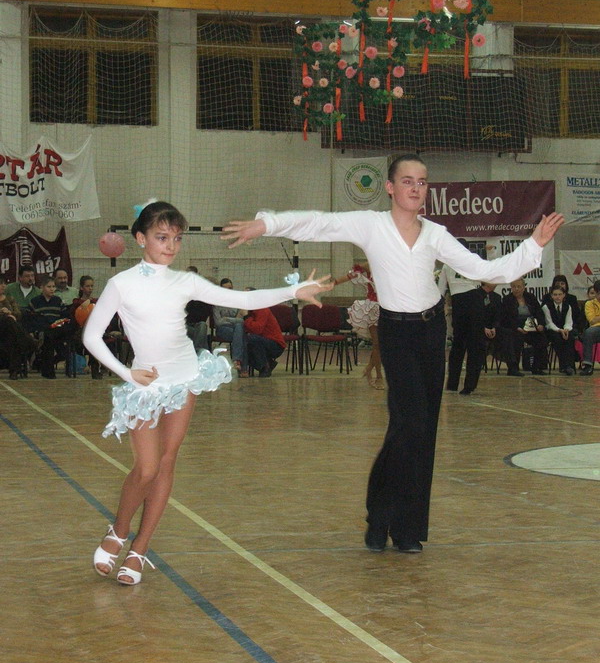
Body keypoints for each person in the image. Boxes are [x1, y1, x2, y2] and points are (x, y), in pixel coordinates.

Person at [222, 154, 564, 554]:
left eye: (422, 181)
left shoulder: (435, 234)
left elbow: (483, 270)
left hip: (431, 331)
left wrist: (533, 245)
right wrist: (267, 224)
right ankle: (380, 514)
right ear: (390, 187)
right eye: (407, 181)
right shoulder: (371, 225)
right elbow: (318, 222)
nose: (416, 188)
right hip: (396, 333)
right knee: (409, 424)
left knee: (421, 428)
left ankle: (406, 527)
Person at [83, 200, 331, 585]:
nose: (171, 246)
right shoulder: (121, 284)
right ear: (140, 239)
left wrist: (296, 289)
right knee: (146, 467)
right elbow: (92, 336)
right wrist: (126, 372)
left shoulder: (186, 281)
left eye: (176, 238)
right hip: (144, 384)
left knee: (166, 462)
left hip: (184, 378)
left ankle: (140, 548)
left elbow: (243, 300)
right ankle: (119, 529)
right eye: (161, 237)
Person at [333, 262, 383, 389]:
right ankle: (379, 376)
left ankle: (369, 368)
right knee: (377, 344)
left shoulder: (393, 263)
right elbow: (350, 275)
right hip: (373, 307)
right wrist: (334, 283)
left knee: (385, 345)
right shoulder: (370, 263)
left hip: (390, 307)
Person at [437, 259, 480, 394]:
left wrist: (438, 306)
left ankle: (453, 383)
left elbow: (441, 289)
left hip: (459, 301)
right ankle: (469, 385)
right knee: (472, 344)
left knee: (459, 344)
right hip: (473, 299)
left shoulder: (447, 264)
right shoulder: (469, 259)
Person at [499, 278, 547, 376]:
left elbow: (539, 313)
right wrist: (517, 327)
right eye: (514, 287)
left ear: (524, 287)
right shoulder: (507, 300)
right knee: (514, 339)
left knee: (541, 338)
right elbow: (505, 318)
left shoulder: (530, 297)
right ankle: (513, 368)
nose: (516, 289)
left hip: (531, 326)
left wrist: (541, 324)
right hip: (516, 328)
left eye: (519, 286)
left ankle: (536, 367)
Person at [28, 275, 74, 379]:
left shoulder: (58, 301)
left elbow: (65, 316)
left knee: (61, 348)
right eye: (49, 287)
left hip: (57, 330)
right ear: (42, 287)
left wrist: (59, 323)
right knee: (48, 337)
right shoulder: (35, 302)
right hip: (43, 331)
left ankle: (44, 365)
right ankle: (48, 371)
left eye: (53, 286)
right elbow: (32, 319)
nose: (52, 289)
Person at [240, 288, 286, 377]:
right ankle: (268, 362)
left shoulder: (262, 309)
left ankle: (265, 367)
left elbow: (257, 330)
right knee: (242, 344)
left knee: (252, 339)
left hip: (275, 345)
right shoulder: (250, 310)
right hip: (263, 341)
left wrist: (246, 317)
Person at [0, 275, 37, 379]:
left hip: (10, 331)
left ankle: (14, 371)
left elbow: (18, 314)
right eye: (0, 284)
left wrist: (10, 312)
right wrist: (4, 313)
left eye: (4, 283)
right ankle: (30, 342)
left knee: (14, 338)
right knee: (8, 320)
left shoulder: (10, 299)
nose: (3, 286)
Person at [212, 278, 248, 375]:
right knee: (241, 334)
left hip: (235, 329)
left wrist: (226, 319)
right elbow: (218, 322)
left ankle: (237, 361)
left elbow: (242, 320)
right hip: (222, 330)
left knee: (240, 331)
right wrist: (234, 320)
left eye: (230, 288)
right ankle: (243, 368)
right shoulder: (216, 303)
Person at [541, 284, 577, 375]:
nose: (557, 297)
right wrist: (559, 330)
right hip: (552, 331)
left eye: (560, 294)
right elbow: (549, 323)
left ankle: (570, 366)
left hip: (564, 329)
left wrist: (566, 330)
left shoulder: (567, 306)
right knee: (557, 338)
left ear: (564, 295)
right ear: (551, 296)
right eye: (555, 294)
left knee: (570, 338)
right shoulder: (546, 307)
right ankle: (564, 365)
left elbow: (569, 321)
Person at [580, 279, 600, 376]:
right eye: (599, 294)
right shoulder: (589, 304)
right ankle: (587, 365)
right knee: (588, 333)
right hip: (596, 329)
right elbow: (592, 320)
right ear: (595, 293)